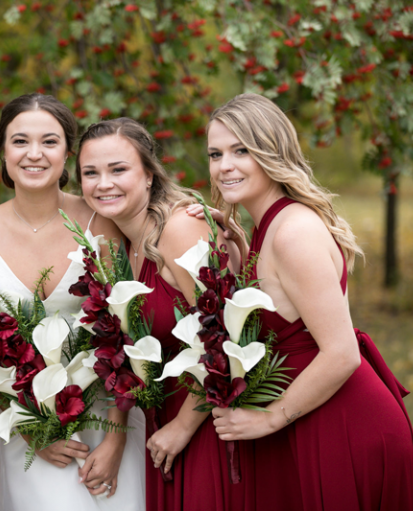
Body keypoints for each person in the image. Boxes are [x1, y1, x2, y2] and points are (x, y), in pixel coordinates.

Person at [204, 93, 413, 511]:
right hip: (316, 418)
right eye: (216, 153)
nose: (224, 165)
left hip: (344, 426)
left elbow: (342, 353)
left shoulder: (293, 233)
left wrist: (271, 418)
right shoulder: (267, 226)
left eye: (241, 150)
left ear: (271, 151)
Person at [0, 93, 146, 511]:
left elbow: (126, 331)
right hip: (20, 427)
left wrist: (116, 436)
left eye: (49, 141)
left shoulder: (102, 222)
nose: (34, 154)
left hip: (103, 416)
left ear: (68, 153)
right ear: (2, 152)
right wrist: (31, 427)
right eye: (20, 141)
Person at [76, 117, 243, 511]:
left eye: (118, 169)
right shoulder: (119, 243)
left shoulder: (179, 229)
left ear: (149, 175)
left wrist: (183, 427)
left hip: (207, 419)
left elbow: (226, 338)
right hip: (162, 423)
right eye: (90, 173)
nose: (103, 183)